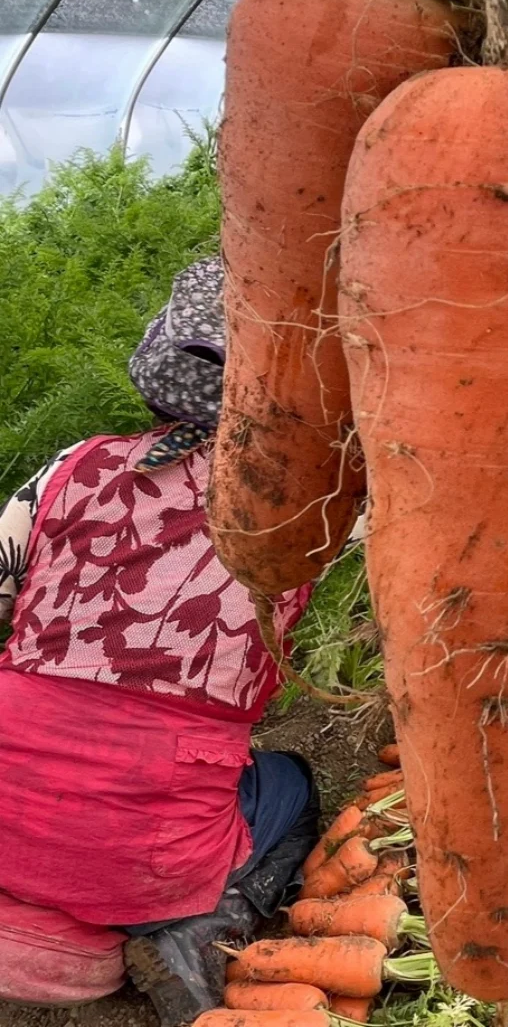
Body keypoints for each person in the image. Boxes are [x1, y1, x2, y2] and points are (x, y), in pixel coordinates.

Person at [0, 258, 322, 1026]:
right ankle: (201, 925)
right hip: (149, 848)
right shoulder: (312, 500)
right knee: (289, 785)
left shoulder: (69, 466)